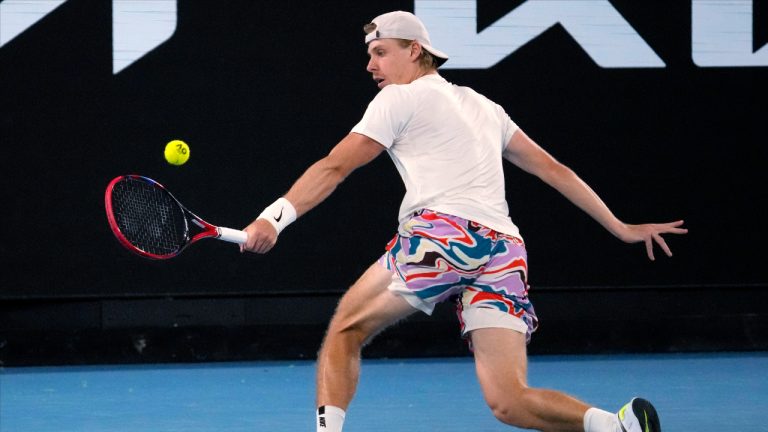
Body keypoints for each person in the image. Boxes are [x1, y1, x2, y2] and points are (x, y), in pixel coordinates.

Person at [241, 10, 687, 432]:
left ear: (415, 50)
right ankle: (617, 424)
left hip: (443, 236)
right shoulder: (484, 106)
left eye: (381, 52)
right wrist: (621, 227)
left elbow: (334, 166)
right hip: (505, 251)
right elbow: (555, 170)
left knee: (344, 329)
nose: (371, 65)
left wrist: (272, 220)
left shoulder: (399, 97)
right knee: (509, 400)